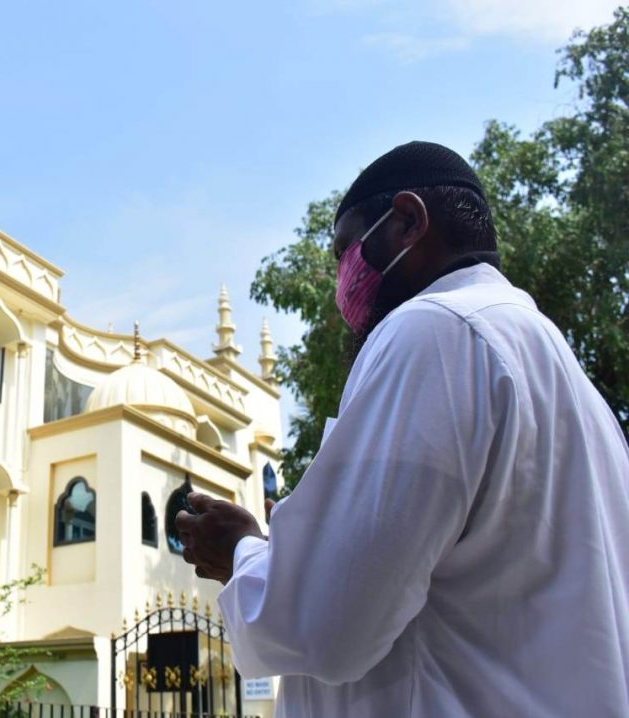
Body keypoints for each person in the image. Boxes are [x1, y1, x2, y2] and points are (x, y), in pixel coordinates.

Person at [176, 141, 629, 717]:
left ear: (409, 221)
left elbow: (325, 627)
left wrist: (240, 550)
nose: (343, 277)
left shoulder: (433, 333)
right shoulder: (565, 377)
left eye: (346, 251)